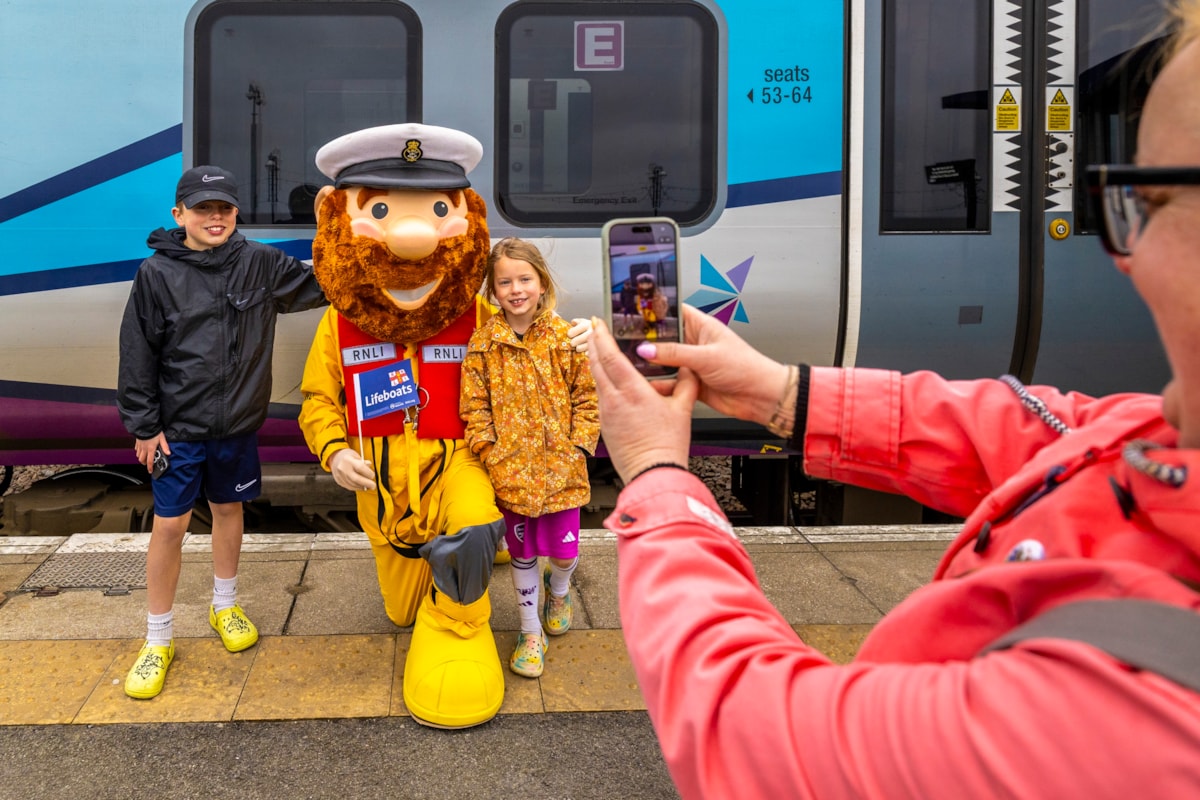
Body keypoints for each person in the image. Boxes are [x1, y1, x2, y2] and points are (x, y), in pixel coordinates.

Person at [586, 3, 1200, 795]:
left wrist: (655, 477)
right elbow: (1048, 435)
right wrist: (784, 395)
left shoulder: (1136, 713)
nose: (1126, 256)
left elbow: (750, 735)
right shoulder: (1167, 437)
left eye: (1145, 202)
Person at [117, 165, 326, 699]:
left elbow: (324, 286)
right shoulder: (156, 274)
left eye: (225, 208)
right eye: (203, 208)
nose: (215, 217)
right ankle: (158, 637)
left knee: (231, 511)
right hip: (177, 431)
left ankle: (224, 606)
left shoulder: (261, 263)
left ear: (236, 213)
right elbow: (137, 353)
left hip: (236, 426)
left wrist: (349, 230)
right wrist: (144, 427)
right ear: (178, 214)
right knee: (171, 526)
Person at [460, 238, 599, 678]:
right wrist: (491, 452)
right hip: (511, 477)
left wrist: (577, 446)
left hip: (563, 476)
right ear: (493, 291)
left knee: (563, 553)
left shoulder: (566, 337)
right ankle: (529, 629)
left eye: (525, 279)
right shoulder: (483, 344)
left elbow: (587, 398)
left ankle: (559, 590)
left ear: (541, 283)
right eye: (505, 282)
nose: (516, 289)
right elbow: (474, 407)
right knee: (521, 556)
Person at [634, 273, 668, 340]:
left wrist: (662, 301)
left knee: (652, 321)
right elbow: (639, 304)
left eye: (647, 284)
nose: (645, 286)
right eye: (642, 284)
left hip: (652, 312)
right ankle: (649, 330)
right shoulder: (640, 297)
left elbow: (658, 300)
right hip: (644, 312)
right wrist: (639, 309)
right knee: (647, 323)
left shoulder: (654, 295)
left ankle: (653, 331)